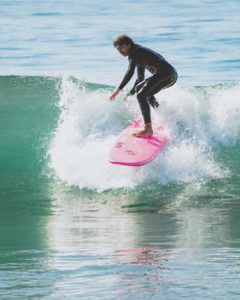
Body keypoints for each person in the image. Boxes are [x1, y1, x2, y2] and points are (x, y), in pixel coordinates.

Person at [109, 34, 178, 137]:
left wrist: (118, 90)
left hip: (165, 74)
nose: (120, 52)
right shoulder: (139, 53)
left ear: (128, 45)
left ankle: (148, 129)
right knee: (143, 92)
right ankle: (162, 116)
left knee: (141, 95)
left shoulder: (134, 53)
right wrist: (131, 92)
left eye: (121, 48)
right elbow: (140, 79)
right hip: (172, 75)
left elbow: (129, 72)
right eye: (118, 50)